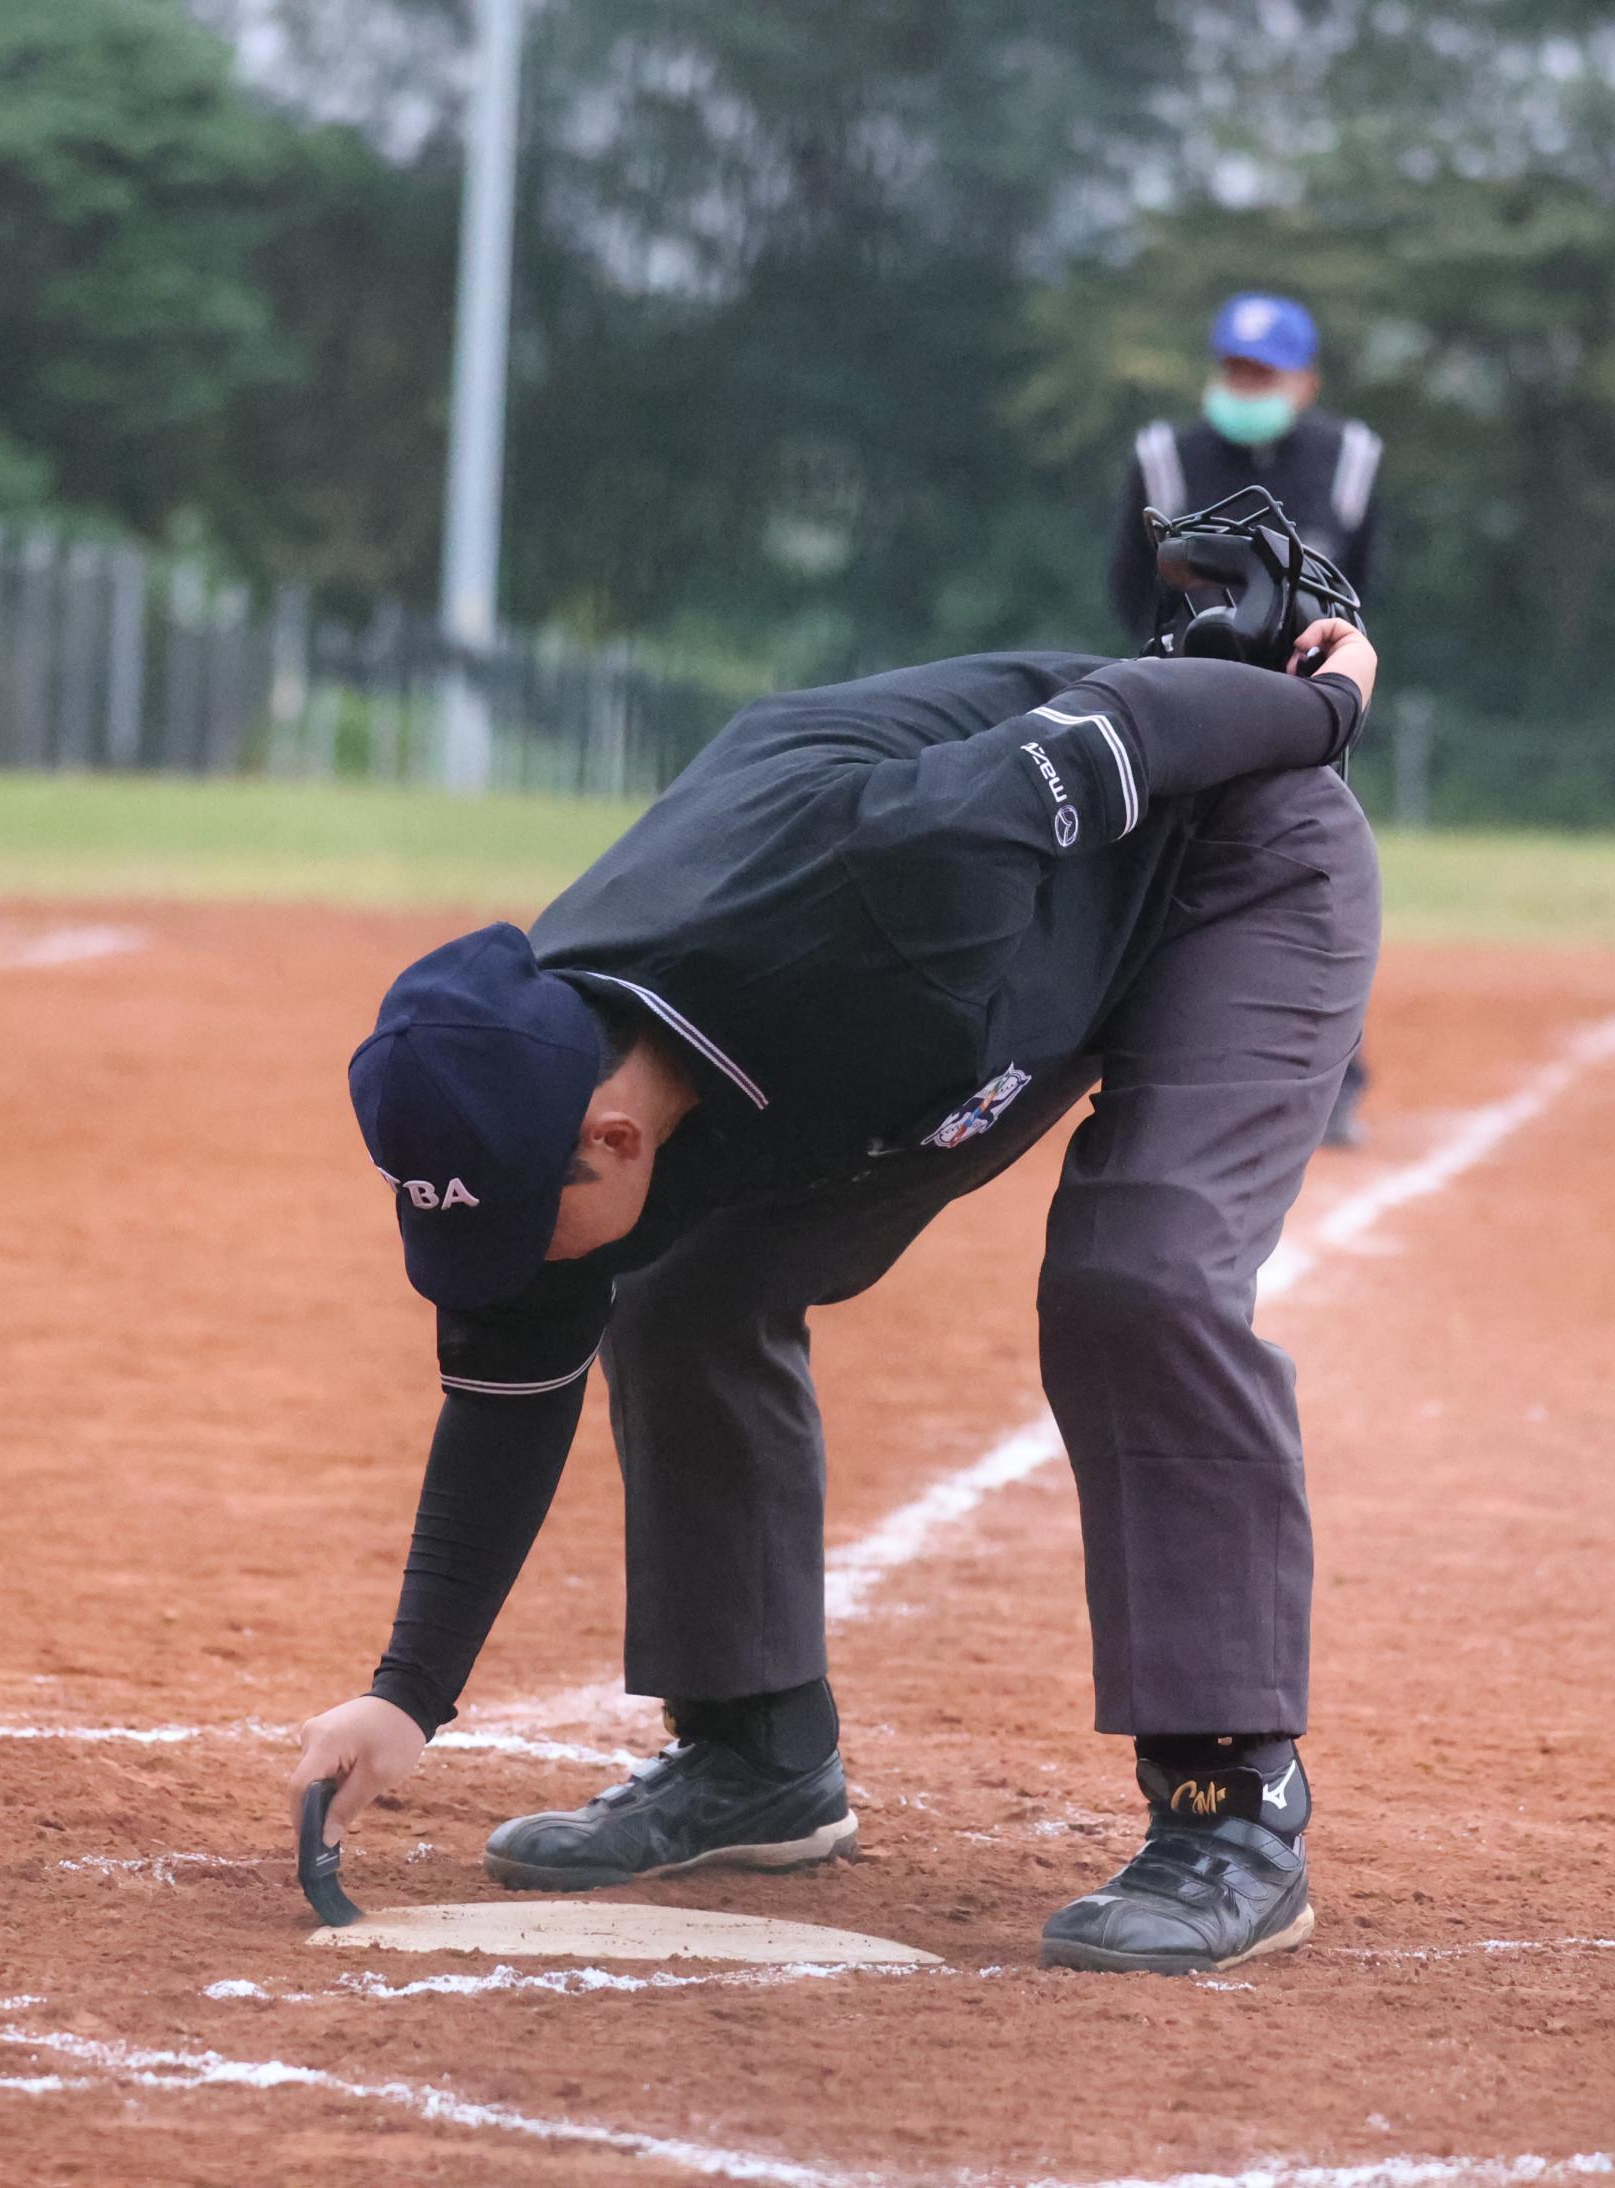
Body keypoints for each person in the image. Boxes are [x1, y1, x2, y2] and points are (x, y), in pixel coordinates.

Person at [288, 613, 1383, 1977]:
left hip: (1223, 858)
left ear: (612, 1138)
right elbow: (507, 1391)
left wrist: (1328, 703)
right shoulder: (522, 1089)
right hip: (998, 977)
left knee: (1138, 1275)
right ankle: (755, 1751)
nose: (514, 1264)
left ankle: (1231, 1805)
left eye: (523, 1227)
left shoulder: (881, 882)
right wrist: (406, 1695)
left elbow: (1131, 723)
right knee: (679, 1278)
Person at [1108, 291, 1386, 1149]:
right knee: (1162, 881)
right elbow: (1128, 587)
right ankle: (1146, 1076)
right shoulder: (1163, 457)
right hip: (1184, 707)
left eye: (1264, 373)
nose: (1245, 384)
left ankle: (1330, 1081)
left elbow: (1364, 588)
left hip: (1302, 712)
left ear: (1304, 383)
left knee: (1314, 886)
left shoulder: (1350, 460)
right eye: (1234, 368)